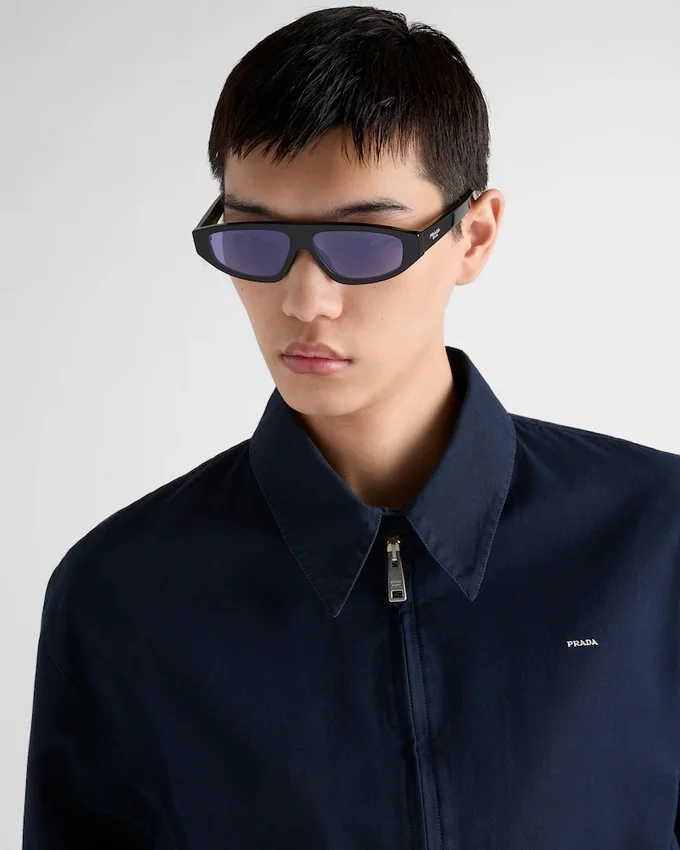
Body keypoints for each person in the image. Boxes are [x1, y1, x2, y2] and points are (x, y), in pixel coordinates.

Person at [22, 6, 680, 849]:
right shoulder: (122, 595)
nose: (304, 301)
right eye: (256, 240)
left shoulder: (657, 539)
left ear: (474, 236)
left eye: (363, 242)